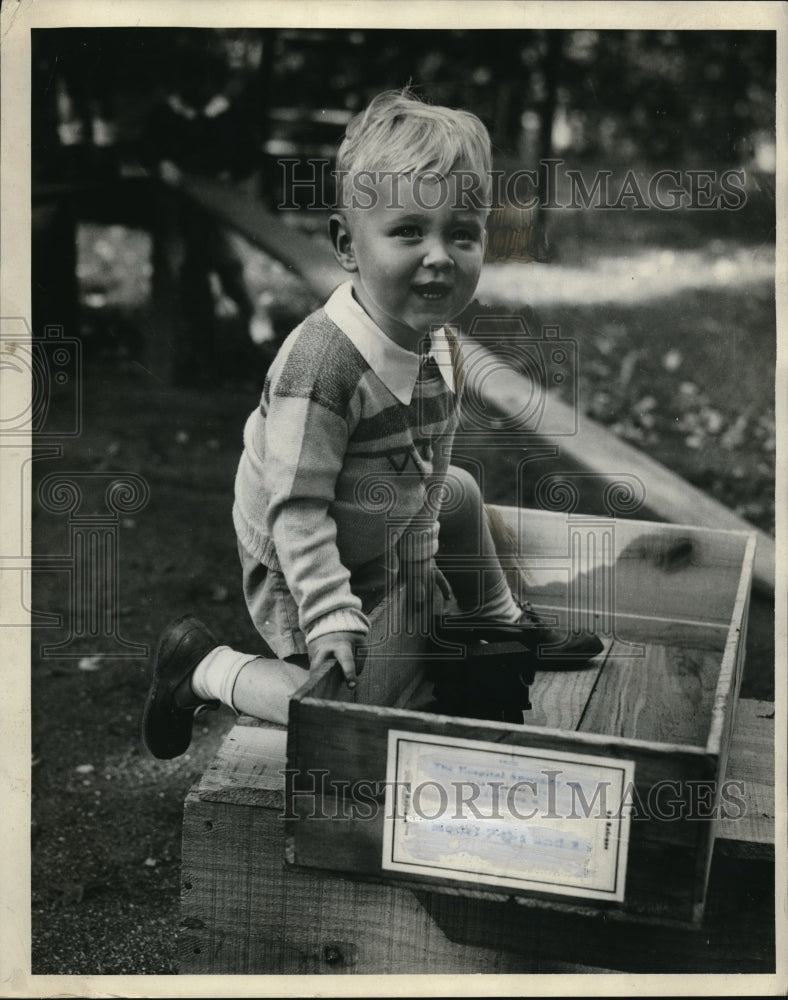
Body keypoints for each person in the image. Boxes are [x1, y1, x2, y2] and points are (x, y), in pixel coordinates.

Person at [142, 89, 602, 760]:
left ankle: (500, 624)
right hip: (295, 542)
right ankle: (205, 667)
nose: (440, 255)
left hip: (378, 505)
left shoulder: (438, 340)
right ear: (346, 245)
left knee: (462, 495)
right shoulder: (322, 366)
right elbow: (295, 508)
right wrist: (334, 610)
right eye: (409, 231)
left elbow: (433, 466)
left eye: (462, 233)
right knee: (342, 699)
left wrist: (417, 585)